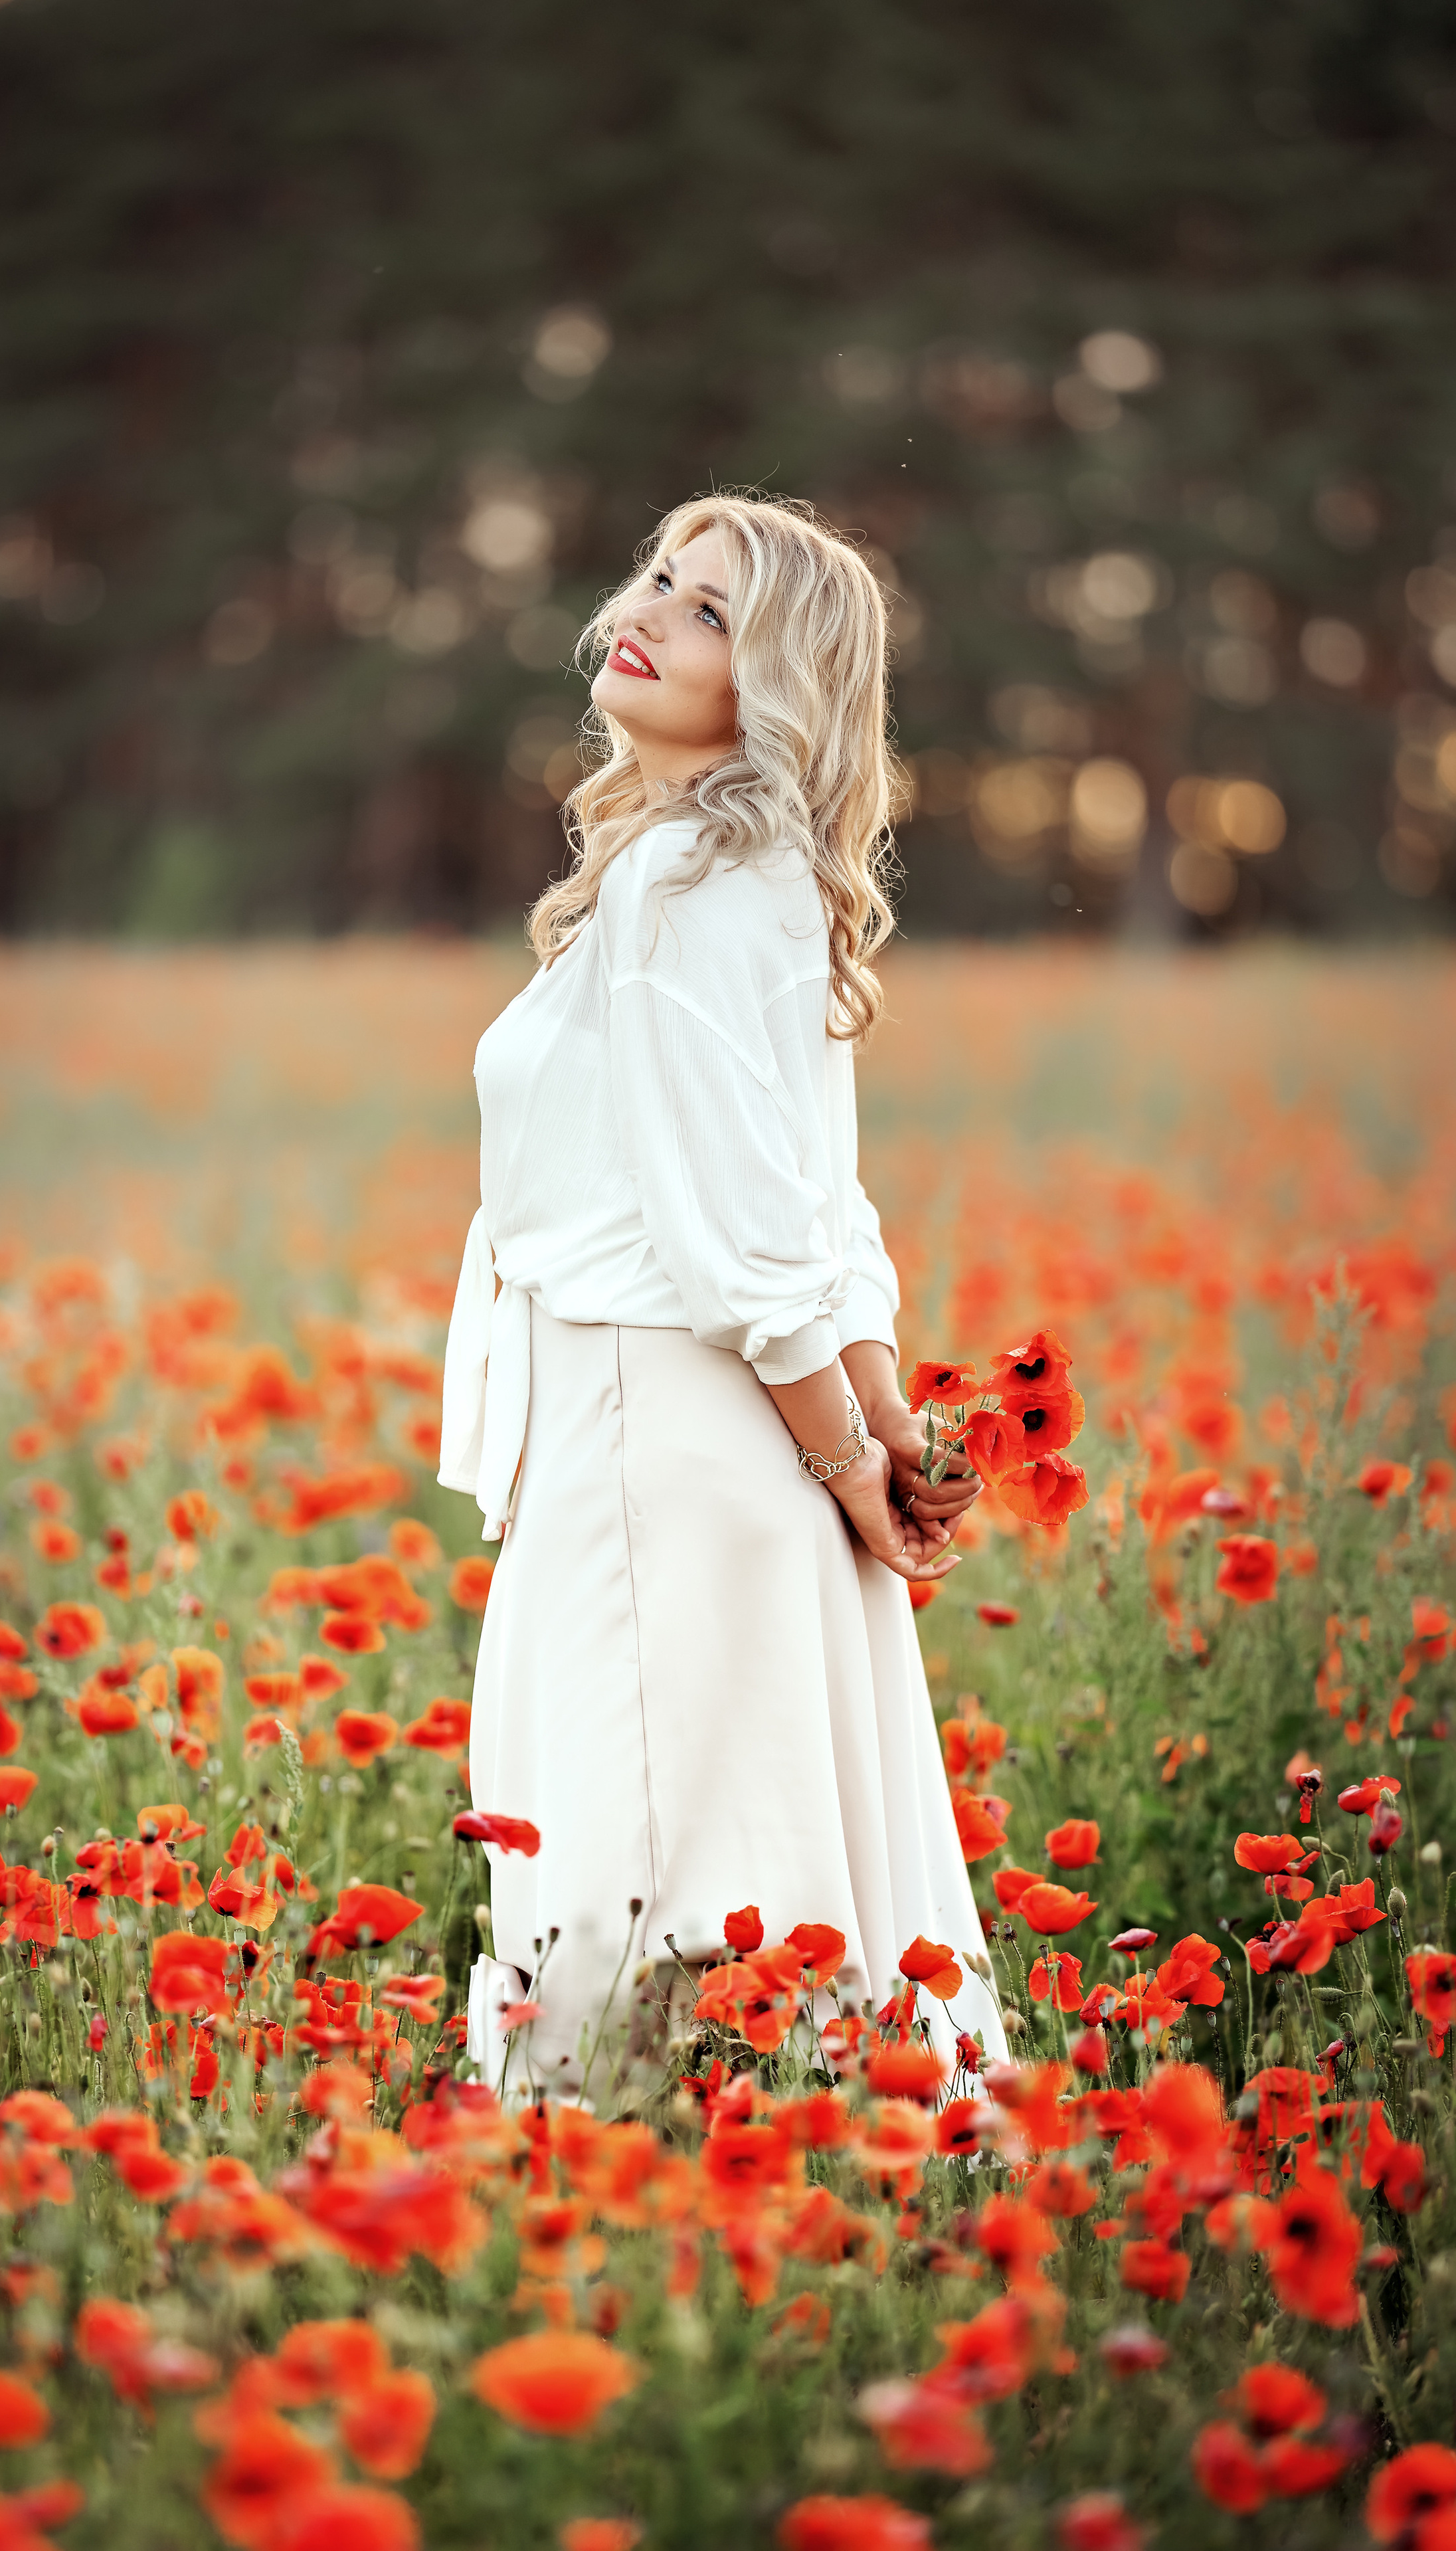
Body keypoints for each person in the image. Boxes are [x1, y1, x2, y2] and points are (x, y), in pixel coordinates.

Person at [440, 492, 1005, 2098]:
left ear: (775, 685)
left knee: (623, 1885)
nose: (644, 615)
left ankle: (612, 2203)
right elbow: (819, 1211)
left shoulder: (687, 883)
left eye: (706, 613)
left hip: (654, 1441)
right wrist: (877, 1427)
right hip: (710, 1445)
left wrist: (852, 1458)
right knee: (758, 1882)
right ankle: (836, 2184)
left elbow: (756, 1237)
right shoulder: (743, 872)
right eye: (657, 582)